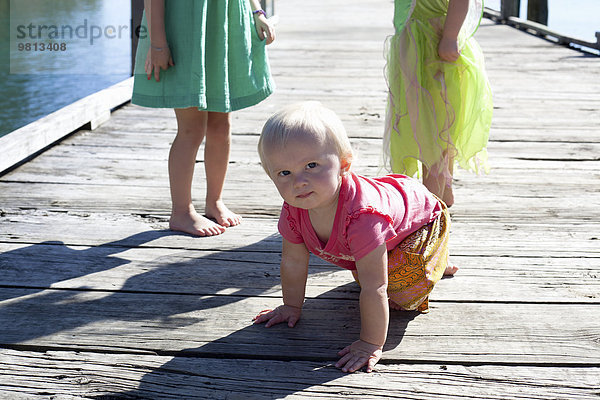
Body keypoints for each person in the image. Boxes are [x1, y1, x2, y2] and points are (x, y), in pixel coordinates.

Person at [253, 102, 457, 373]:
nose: (298, 182)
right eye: (284, 173)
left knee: (401, 290)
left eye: (311, 165)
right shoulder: (295, 207)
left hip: (424, 221)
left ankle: (436, 257)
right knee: (368, 267)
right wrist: (291, 306)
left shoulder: (362, 217)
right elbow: (292, 261)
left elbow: (376, 287)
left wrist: (370, 343)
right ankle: (431, 259)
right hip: (387, 228)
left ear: (344, 164)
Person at [131, 0, 275, 236]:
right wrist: (157, 43)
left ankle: (214, 201)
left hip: (224, 24)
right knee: (191, 129)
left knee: (221, 126)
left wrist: (257, 11)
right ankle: (181, 212)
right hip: (187, 27)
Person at [383, 0, 493, 207]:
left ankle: (431, 201)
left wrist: (450, 36)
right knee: (432, 126)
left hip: (434, 48)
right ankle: (444, 189)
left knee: (433, 128)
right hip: (415, 45)